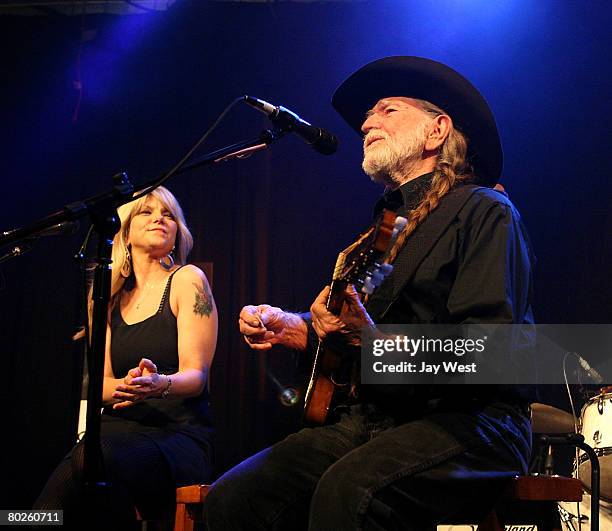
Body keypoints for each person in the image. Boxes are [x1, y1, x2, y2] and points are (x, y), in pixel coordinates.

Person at [202, 57, 537, 531]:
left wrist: (373, 342)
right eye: (368, 115)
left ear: (436, 130)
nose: (365, 123)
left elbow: (491, 353)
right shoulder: (378, 236)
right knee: (234, 499)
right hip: (376, 420)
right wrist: (301, 331)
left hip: (473, 422)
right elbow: (358, 345)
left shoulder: (485, 210)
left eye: (386, 110)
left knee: (349, 493)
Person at [35, 186, 218, 528]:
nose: (159, 219)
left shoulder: (187, 280)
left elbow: (196, 377)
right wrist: (128, 384)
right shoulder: (107, 295)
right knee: (62, 494)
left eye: (168, 214)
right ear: (125, 230)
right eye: (147, 212)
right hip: (112, 434)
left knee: (93, 463)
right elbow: (97, 387)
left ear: (178, 229)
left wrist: (158, 383)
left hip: (177, 435)